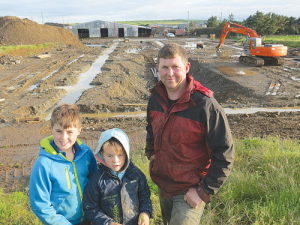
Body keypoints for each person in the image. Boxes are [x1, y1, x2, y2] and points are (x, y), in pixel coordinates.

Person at [145, 43, 235, 225]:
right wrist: (152, 154)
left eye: (175, 67)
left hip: (189, 190)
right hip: (164, 186)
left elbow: (225, 153)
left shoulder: (205, 105)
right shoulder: (155, 98)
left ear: (186, 68)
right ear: (158, 69)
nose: (170, 73)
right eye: (165, 67)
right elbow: (150, 128)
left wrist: (204, 192)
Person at [29, 103, 98, 225]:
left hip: (89, 219)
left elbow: (95, 184)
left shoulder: (86, 154)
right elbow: (40, 205)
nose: (64, 137)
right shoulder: (44, 164)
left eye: (70, 132)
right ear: (51, 129)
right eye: (59, 131)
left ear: (79, 131)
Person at [82, 128, 152, 225]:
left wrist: (145, 212)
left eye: (120, 155)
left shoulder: (136, 175)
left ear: (126, 154)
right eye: (110, 156)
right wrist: (108, 223)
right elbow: (90, 207)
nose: (115, 160)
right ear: (102, 154)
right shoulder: (97, 180)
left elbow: (145, 196)